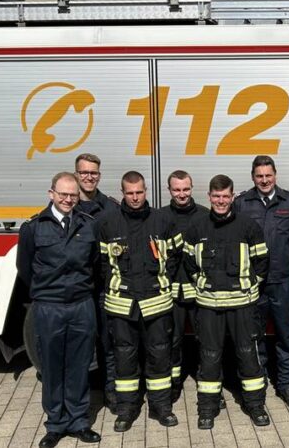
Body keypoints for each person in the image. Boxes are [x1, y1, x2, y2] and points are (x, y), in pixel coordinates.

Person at [16, 172, 101, 448]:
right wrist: (47, 293)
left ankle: (78, 422)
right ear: (51, 193)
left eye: (73, 195)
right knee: (52, 367)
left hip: (80, 305)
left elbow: (95, 264)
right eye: (62, 194)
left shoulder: (88, 225)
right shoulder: (33, 228)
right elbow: (25, 267)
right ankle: (55, 424)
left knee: (79, 365)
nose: (67, 199)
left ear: (78, 196)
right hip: (49, 307)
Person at [183, 174, 270, 430]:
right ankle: (207, 409)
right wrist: (202, 284)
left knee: (248, 356)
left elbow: (262, 261)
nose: (221, 201)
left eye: (225, 196)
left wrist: (252, 285)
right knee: (209, 358)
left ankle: (256, 406)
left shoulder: (248, 226)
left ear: (232, 197)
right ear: (209, 197)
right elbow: (189, 264)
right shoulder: (197, 228)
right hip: (209, 306)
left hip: (243, 305)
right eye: (216, 196)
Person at [96, 171, 178, 431]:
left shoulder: (163, 221)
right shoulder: (107, 224)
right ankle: (127, 409)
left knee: (159, 355)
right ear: (122, 193)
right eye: (130, 193)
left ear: (146, 191)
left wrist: (158, 283)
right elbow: (101, 265)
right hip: (122, 305)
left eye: (139, 192)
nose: (135, 197)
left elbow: (175, 259)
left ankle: (161, 407)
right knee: (124, 357)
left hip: (156, 302)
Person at [234, 155, 289, 409]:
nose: (264, 180)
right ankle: (258, 383)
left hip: (282, 282)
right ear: (253, 177)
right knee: (255, 336)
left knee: (286, 336)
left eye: (268, 175)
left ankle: (287, 386)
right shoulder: (242, 203)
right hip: (253, 283)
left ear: (276, 174)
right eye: (259, 176)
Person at [73, 153, 119, 412]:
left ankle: (111, 394)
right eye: (84, 173)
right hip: (78, 290)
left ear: (99, 175)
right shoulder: (67, 205)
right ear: (76, 175)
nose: (89, 177)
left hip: (103, 288)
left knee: (108, 343)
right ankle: (83, 399)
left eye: (93, 173)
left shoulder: (110, 208)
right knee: (79, 345)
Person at [160, 170, 208, 402]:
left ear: (192, 188)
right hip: (171, 294)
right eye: (177, 189)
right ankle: (174, 385)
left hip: (200, 292)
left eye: (186, 189)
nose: (181, 194)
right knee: (173, 342)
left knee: (206, 341)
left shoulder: (205, 216)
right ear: (169, 190)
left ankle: (207, 384)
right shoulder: (158, 217)